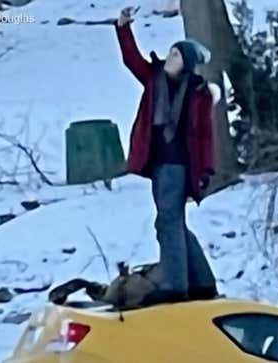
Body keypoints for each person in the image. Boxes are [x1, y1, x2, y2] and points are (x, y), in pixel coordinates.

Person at [114, 6, 220, 304]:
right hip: (158, 164)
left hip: (179, 166)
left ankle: (176, 283)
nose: (169, 57)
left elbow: (204, 136)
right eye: (171, 53)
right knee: (172, 222)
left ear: (185, 63)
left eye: (175, 55)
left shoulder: (197, 93)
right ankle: (201, 281)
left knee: (168, 221)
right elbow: (131, 59)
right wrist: (123, 28)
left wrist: (204, 173)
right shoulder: (154, 78)